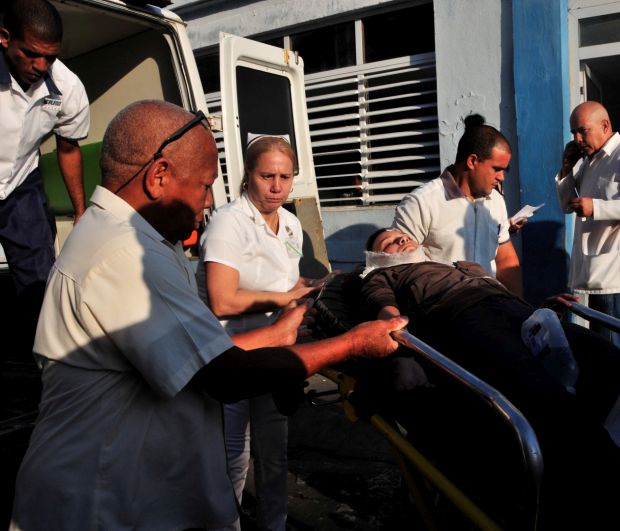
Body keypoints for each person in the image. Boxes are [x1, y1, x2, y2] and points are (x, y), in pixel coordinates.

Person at [9, 100, 407, 531]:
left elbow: (195, 352)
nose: (206, 203)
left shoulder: (141, 239)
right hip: (98, 505)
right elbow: (223, 373)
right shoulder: (121, 251)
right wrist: (352, 343)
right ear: (159, 175)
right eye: (202, 186)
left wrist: (280, 330)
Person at [357, 228, 620, 529]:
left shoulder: (460, 264)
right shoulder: (383, 275)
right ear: (377, 257)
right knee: (549, 402)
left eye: (403, 237)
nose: (402, 243)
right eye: (391, 244)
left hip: (519, 316)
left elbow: (503, 297)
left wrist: (540, 309)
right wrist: (404, 356)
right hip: (463, 319)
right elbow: (388, 318)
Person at [196, 135, 328, 530]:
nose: (276, 187)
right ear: (247, 177)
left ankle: (274, 524)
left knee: (275, 451)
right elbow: (222, 300)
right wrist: (287, 296)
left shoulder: (289, 223)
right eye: (266, 175)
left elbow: (284, 279)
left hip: (275, 349)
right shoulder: (228, 222)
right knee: (233, 454)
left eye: (284, 177)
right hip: (232, 349)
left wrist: (316, 284)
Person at [0, 0, 89, 367]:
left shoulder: (66, 88)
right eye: (32, 54)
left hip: (20, 185)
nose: (40, 66)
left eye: (50, 57)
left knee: (41, 280)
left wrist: (82, 211)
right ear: (5, 39)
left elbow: (68, 149)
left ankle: (50, 371)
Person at [555, 101, 620, 358]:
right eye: (573, 134)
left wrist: (597, 208)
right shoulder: (590, 162)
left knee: (614, 347)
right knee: (608, 343)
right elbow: (567, 206)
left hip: (616, 269)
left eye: (582, 131)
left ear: (605, 126)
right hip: (596, 268)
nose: (577, 139)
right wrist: (567, 169)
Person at [392, 114, 522, 295]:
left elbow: (506, 258)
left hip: (491, 308)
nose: (502, 177)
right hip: (443, 313)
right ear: (472, 161)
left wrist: (520, 310)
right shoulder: (421, 203)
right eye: (497, 169)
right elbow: (395, 271)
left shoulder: (496, 201)